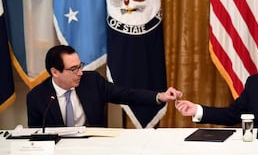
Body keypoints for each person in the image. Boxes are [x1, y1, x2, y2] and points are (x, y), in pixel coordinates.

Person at [27, 45, 182, 128]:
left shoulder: (92, 81)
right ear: (55, 72)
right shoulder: (36, 97)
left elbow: (126, 94)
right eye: (74, 69)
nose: (80, 73)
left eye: (80, 66)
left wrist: (160, 96)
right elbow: (36, 135)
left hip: (94, 149)